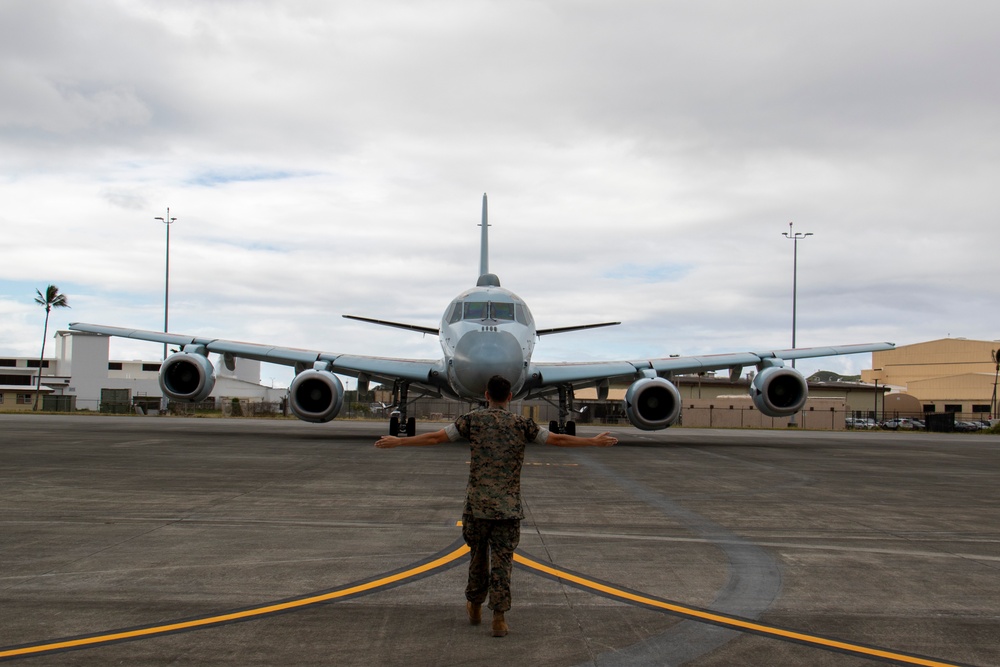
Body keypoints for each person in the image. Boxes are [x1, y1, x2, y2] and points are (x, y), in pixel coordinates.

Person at [374, 375, 617, 637]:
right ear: (510, 397)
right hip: (508, 508)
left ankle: (475, 606)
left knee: (477, 558)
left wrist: (399, 441)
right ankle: (499, 618)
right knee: (503, 562)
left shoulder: (472, 421)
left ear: (486, 395)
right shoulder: (522, 424)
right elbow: (557, 440)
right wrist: (593, 441)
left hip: (478, 507)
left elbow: (435, 438)